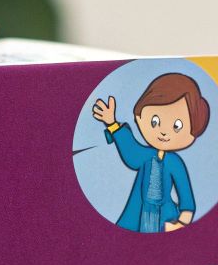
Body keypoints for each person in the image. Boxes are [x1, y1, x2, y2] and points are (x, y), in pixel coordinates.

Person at [90, 72, 210, 233]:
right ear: (139, 117)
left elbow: (186, 199)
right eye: (155, 121)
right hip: (138, 214)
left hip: (165, 219)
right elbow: (131, 153)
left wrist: (181, 223)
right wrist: (111, 123)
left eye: (177, 126)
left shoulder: (174, 162)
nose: (164, 132)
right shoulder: (145, 155)